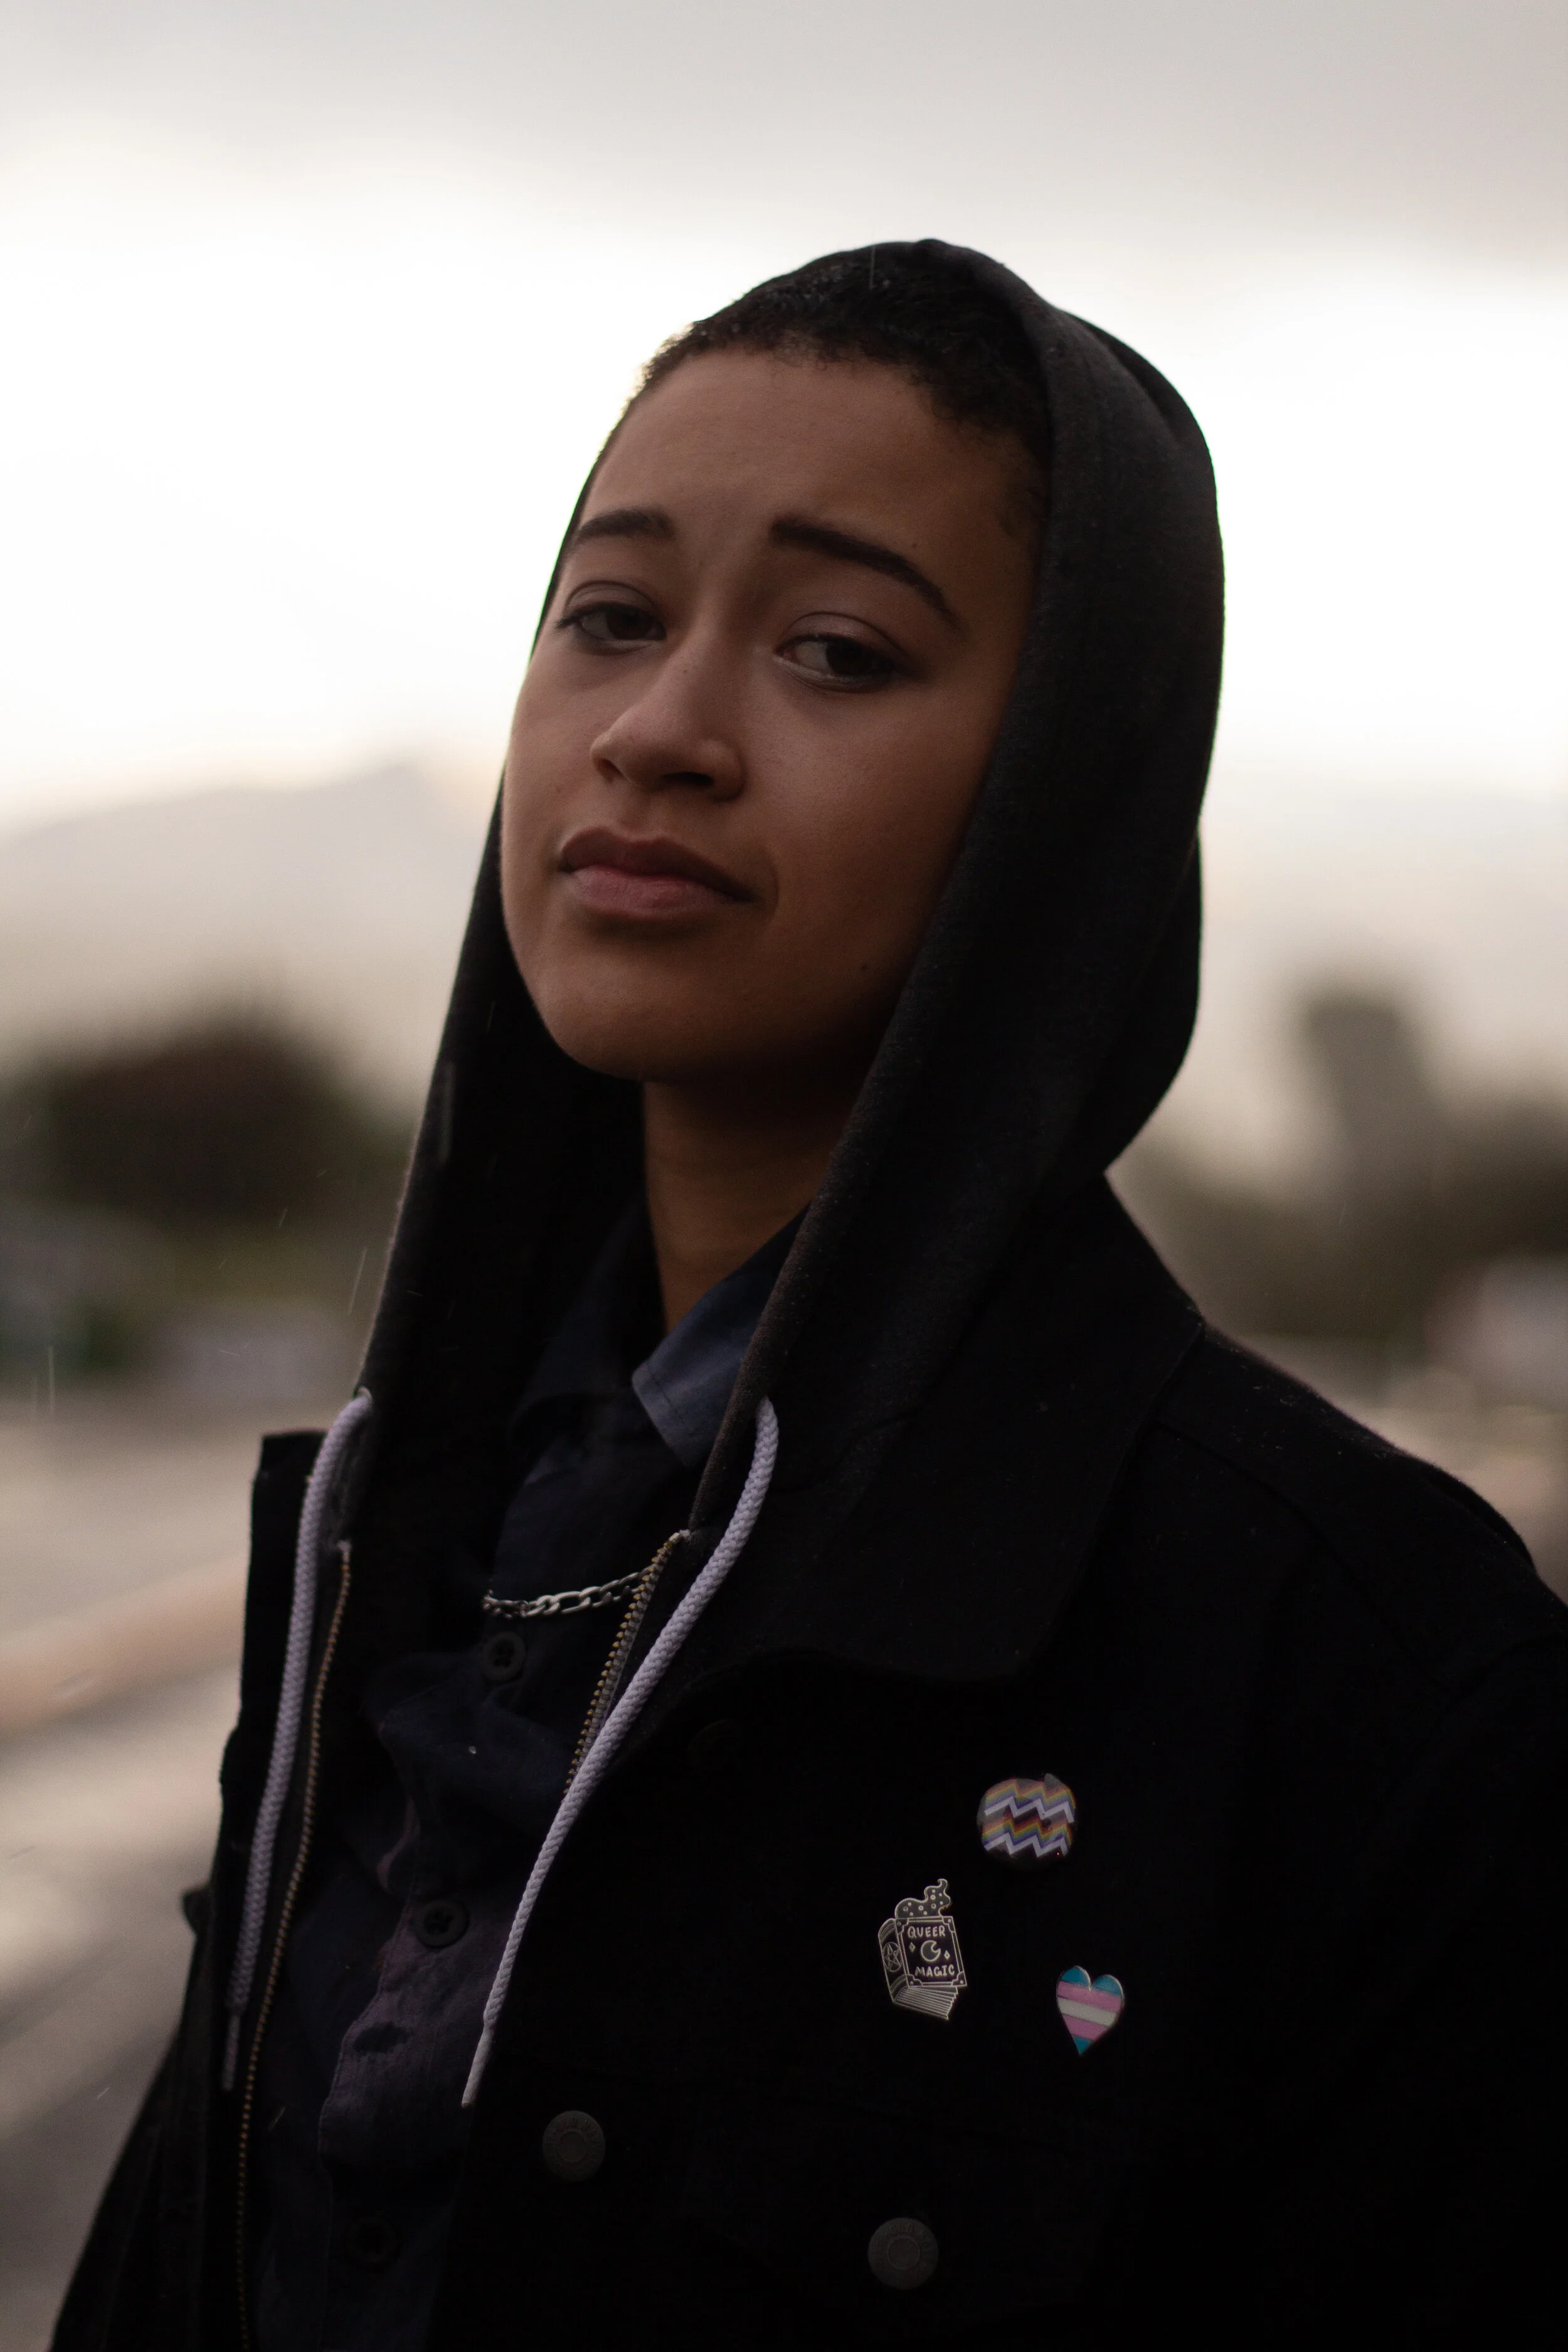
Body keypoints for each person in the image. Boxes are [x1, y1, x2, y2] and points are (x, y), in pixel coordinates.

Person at [56, 243, 1568, 2352]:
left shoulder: (1363, 1662)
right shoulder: (385, 1533)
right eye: (610, 614)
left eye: (838, 651)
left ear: (1063, 794)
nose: (659, 731)